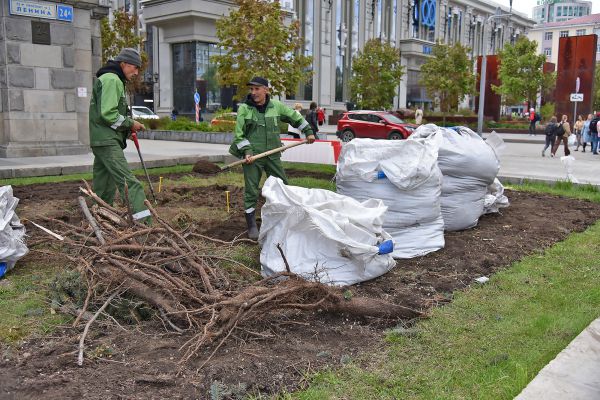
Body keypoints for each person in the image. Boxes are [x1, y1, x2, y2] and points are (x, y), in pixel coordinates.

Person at [230, 77, 316, 239]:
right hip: (253, 156)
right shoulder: (245, 109)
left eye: (257, 89)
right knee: (251, 190)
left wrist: (309, 131)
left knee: (282, 185)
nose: (253, 92)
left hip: (273, 153)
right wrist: (247, 151)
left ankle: (285, 218)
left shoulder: (276, 107)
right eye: (251, 89)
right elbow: (239, 135)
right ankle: (251, 225)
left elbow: (295, 117)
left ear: (266, 90)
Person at [89, 48, 151, 223]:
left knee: (104, 187)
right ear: (123, 63)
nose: (136, 72)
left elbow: (107, 116)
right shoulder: (112, 79)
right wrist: (131, 123)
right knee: (130, 184)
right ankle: (144, 227)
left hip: (102, 140)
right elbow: (108, 114)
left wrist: (125, 130)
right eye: (135, 67)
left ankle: (99, 221)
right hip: (107, 142)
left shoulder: (110, 78)